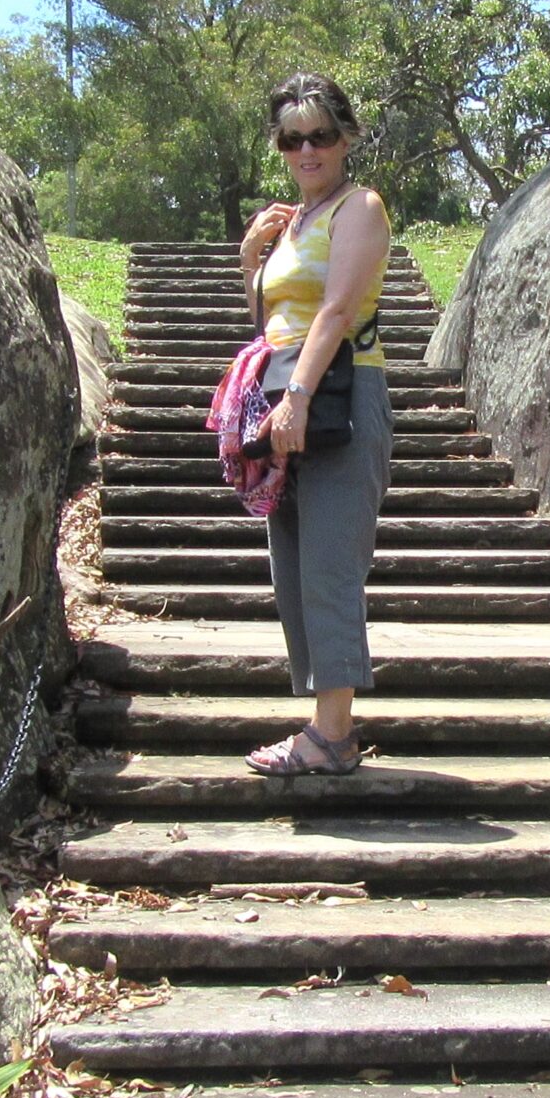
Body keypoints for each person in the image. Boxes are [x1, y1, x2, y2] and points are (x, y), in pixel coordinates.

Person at [239, 72, 393, 776]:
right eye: (292, 137)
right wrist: (251, 262)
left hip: (339, 393)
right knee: (293, 565)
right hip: (289, 394)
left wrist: (297, 396)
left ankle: (333, 737)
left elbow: (334, 313)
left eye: (321, 134)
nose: (308, 149)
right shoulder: (289, 223)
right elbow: (272, 324)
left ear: (346, 137)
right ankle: (321, 722)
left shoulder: (358, 209)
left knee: (330, 563)